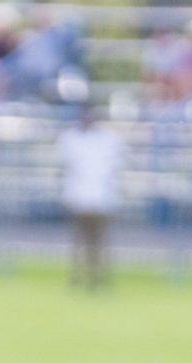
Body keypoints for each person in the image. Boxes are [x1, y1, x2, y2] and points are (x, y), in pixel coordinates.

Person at [57, 106, 124, 290]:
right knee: (79, 239)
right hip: (78, 195)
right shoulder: (70, 138)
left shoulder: (109, 139)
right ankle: (77, 276)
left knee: (99, 240)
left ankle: (99, 277)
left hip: (102, 196)